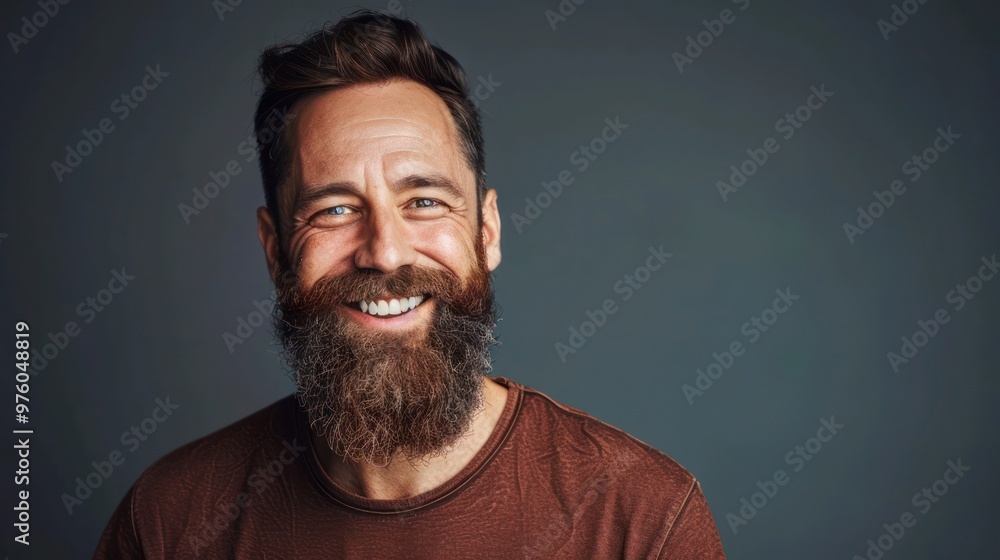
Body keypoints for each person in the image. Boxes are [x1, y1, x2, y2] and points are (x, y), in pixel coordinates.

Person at [95, 10, 726, 559]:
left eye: (424, 201)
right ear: (274, 249)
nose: (385, 251)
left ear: (487, 230)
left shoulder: (643, 521)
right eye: (335, 209)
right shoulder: (168, 522)